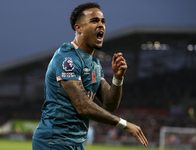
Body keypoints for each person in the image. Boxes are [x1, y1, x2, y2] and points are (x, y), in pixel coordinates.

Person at [32, 2, 148, 150]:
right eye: (94, 21)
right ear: (78, 28)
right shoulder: (67, 58)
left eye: (103, 21)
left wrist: (118, 78)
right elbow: (83, 106)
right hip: (54, 141)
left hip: (77, 142)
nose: (101, 25)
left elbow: (109, 103)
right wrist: (123, 124)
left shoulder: (94, 64)